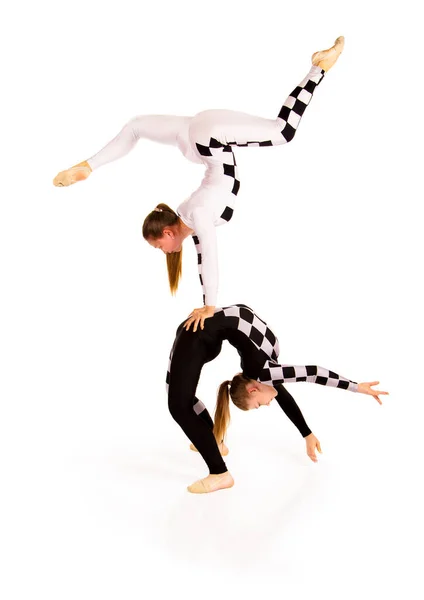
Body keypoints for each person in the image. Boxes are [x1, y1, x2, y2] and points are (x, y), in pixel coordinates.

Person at [53, 38, 345, 330]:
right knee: (135, 126)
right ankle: (89, 166)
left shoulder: (198, 214)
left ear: (168, 232)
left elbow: (211, 258)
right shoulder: (189, 216)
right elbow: (203, 256)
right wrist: (207, 301)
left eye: (159, 246)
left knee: (283, 131)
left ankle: (318, 67)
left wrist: (210, 305)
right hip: (195, 135)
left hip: (209, 140)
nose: (164, 251)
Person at [167, 304, 388, 494]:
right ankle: (218, 465)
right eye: (261, 406)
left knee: (178, 403)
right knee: (179, 403)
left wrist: (355, 388)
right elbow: (307, 377)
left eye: (259, 405)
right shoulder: (265, 369)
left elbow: (312, 374)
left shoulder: (263, 372)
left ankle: (217, 457)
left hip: (195, 335)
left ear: (253, 389)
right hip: (198, 333)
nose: (268, 403)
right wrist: (354, 389)